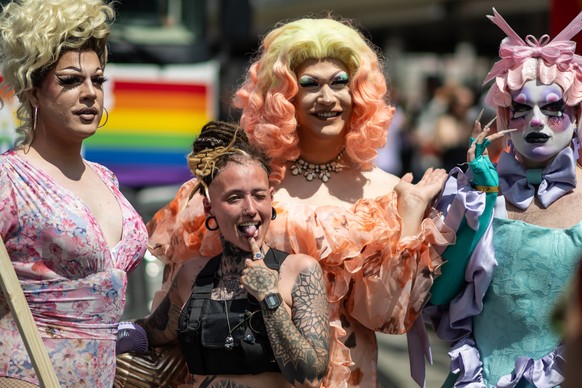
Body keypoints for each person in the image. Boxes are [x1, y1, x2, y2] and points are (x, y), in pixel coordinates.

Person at [147, 16, 453, 387]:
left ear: (360, 92)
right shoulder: (246, 183)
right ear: (284, 97)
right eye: (310, 85)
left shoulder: (387, 191)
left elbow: (386, 318)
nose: (328, 98)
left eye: (340, 83)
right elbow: (185, 301)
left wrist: (410, 214)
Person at [425, 8, 582, 386]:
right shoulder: (474, 191)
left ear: (576, 114)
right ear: (503, 117)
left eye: (553, 108)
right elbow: (438, 295)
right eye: (522, 109)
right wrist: (479, 200)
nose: (536, 121)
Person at [0, 0, 148, 386]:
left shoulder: (107, 178)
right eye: (69, 80)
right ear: (32, 91)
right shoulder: (8, 178)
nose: (89, 94)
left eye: (97, 80)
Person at [130, 120, 329, 387]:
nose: (250, 209)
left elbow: (310, 377)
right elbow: (151, 332)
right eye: (234, 198)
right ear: (210, 209)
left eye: (259, 196)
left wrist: (270, 298)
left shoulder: (299, 271)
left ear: (271, 199)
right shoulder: (193, 274)